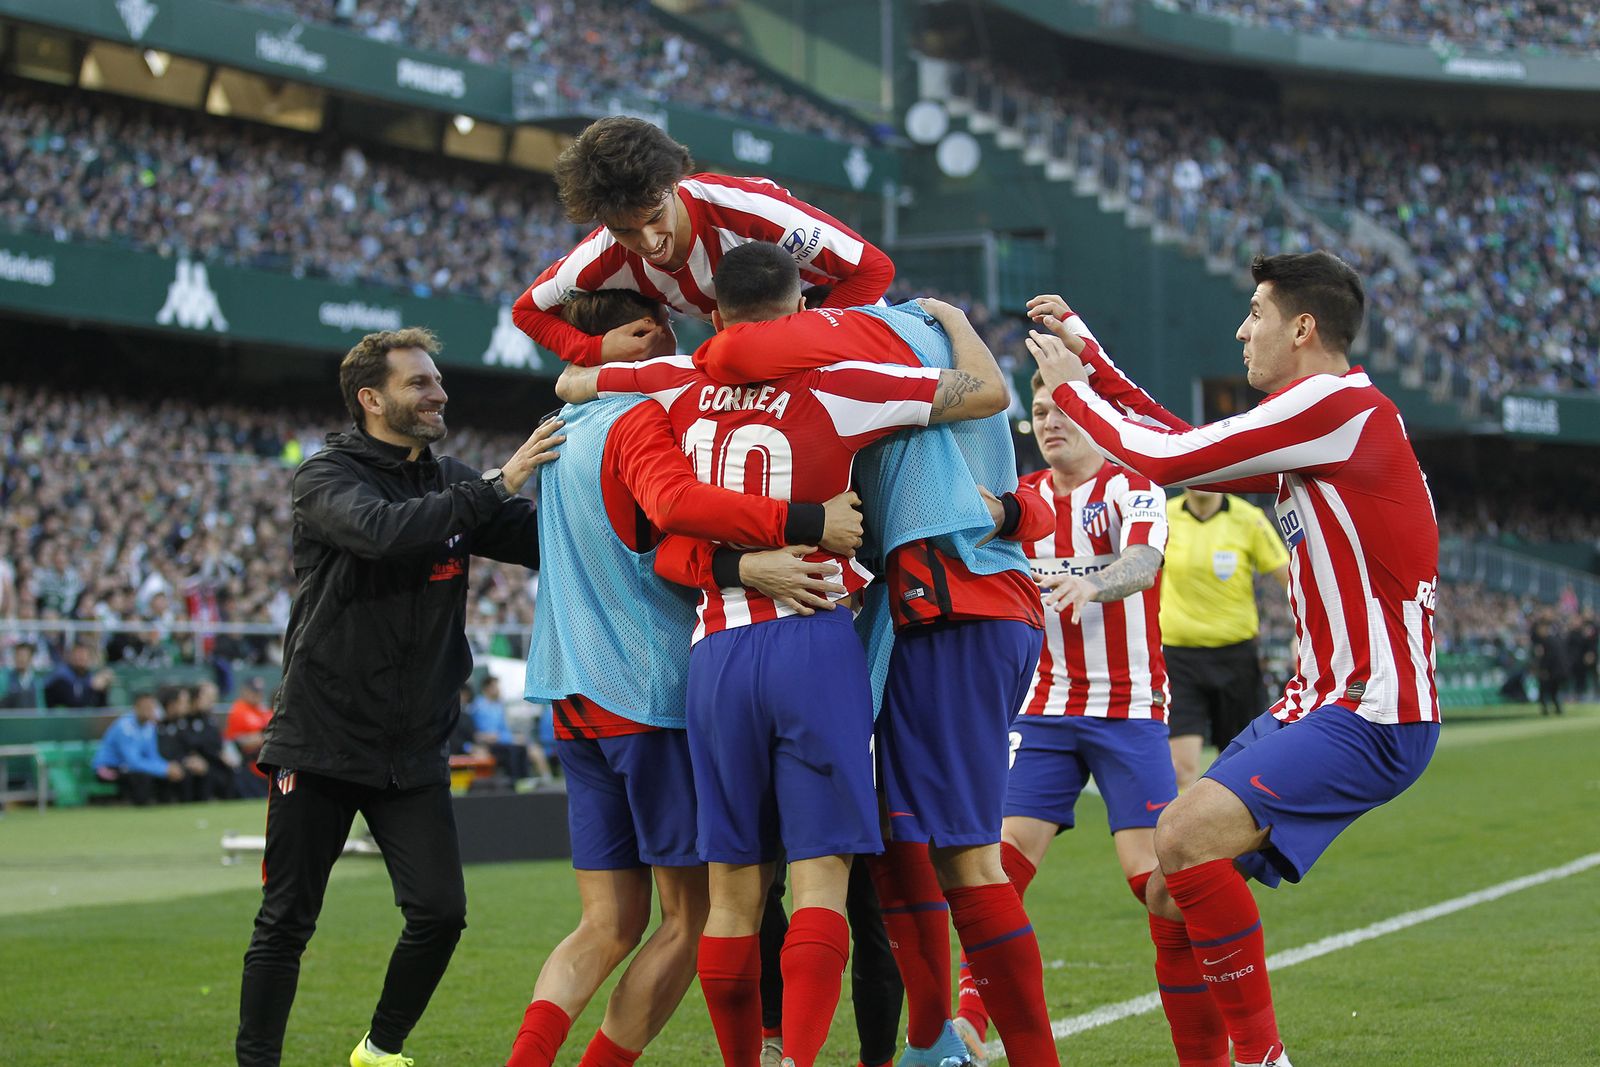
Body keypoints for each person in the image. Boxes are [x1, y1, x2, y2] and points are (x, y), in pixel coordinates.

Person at [556, 243, 1012, 1067]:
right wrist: (953, 320)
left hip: (717, 652)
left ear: (717, 315)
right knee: (820, 883)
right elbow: (986, 392)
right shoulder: (836, 383)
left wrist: (591, 375)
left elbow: (647, 520)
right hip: (812, 638)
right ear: (800, 308)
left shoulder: (677, 392)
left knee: (732, 896)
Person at [1026, 251, 1441, 1067]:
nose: (1241, 328)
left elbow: (1172, 462)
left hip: (1372, 706)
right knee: (1165, 890)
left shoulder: (1337, 404)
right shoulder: (1319, 417)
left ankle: (1259, 1057)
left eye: (1255, 312)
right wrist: (1094, 358)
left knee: (1178, 833)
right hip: (1319, 700)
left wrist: (1073, 389)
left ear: (1303, 327)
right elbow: (1189, 443)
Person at [691, 289, 1063, 1066]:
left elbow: (1021, 488)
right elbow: (1019, 484)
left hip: (956, 609)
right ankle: (929, 1043)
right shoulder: (918, 342)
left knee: (966, 854)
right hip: (921, 611)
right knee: (897, 845)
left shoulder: (854, 350)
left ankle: (1025, 1055)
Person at [507, 287, 867, 1067]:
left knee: (604, 924)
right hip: (649, 692)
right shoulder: (642, 419)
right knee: (698, 916)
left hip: (571, 693)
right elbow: (675, 513)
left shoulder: (557, 432)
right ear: (642, 335)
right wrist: (801, 527)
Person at [235, 327, 565, 1067]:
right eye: (420, 382)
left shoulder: (446, 479)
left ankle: (380, 1048)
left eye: (438, 380)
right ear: (372, 398)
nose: (439, 392)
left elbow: (549, 541)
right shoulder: (324, 477)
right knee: (286, 920)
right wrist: (491, 485)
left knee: (441, 913)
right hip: (320, 738)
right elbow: (384, 534)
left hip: (413, 745)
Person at [954, 368, 1179, 1055]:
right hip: (1043, 709)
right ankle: (968, 1020)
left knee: (1156, 882)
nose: (1049, 420)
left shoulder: (1132, 487)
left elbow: (1141, 561)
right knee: (994, 867)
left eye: (1064, 409)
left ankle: (1210, 1017)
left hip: (1128, 706)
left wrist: (1091, 581)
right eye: (1043, 410)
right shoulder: (1021, 498)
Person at [512, 116, 893, 367]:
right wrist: (596, 350)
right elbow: (526, 312)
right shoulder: (601, 258)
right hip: (754, 356)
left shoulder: (753, 213)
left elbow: (873, 269)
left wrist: (801, 342)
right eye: (624, 230)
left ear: (673, 184)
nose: (648, 242)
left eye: (655, 217)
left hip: (841, 328)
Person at [1161, 488, 1291, 791]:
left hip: (1237, 660)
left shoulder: (1249, 519)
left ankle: (1233, 837)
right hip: (1179, 660)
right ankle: (1187, 838)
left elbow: (1289, 577)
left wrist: (1306, 631)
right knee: (1182, 770)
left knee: (1239, 766)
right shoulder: (1163, 516)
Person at [91, 691, 184, 805]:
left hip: (128, 767)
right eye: (146, 707)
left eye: (152, 707)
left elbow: (153, 756)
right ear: (136, 707)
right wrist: (163, 770)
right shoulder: (124, 727)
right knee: (141, 777)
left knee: (167, 774)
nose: (150, 710)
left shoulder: (150, 727)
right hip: (108, 768)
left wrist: (167, 767)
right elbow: (133, 761)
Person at [467, 676, 552, 784]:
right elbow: (481, 733)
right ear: (486, 688)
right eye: (495, 686)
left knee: (523, 746)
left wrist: (512, 737)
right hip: (487, 743)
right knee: (515, 747)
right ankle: (517, 781)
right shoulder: (478, 706)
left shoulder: (499, 705)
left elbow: (502, 730)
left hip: (501, 740)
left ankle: (527, 780)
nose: (499, 689)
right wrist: (511, 738)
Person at [224, 677, 274, 798]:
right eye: (254, 691)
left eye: (259, 691)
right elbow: (237, 740)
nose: (257, 695)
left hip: (264, 764)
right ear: (245, 691)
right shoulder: (239, 710)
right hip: (247, 765)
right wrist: (261, 738)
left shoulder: (263, 710)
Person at [43, 642, 113, 709]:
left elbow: (101, 708)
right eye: (78, 655)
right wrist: (92, 688)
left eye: (84, 655)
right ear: (70, 657)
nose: (81, 658)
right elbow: (75, 706)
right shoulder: (60, 678)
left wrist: (103, 691)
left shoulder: (88, 675)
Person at [1531, 611, 1567, 716]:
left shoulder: (1548, 641)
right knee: (1549, 690)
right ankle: (1549, 708)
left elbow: (1547, 657)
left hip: (1551, 670)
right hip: (1551, 669)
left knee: (1550, 690)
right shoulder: (1546, 640)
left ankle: (1551, 708)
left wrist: (1544, 669)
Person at [0, 642, 47, 709]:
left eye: (24, 655)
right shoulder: (5, 677)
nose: (21, 659)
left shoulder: (37, 682)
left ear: (31, 658)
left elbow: (40, 707)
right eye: (18, 655)